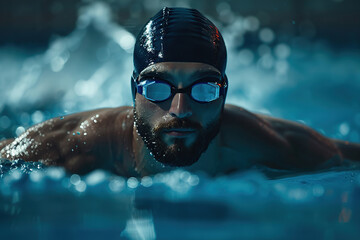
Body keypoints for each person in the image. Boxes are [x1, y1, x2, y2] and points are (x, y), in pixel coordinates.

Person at [0, 7, 359, 177]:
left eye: (203, 88)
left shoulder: (272, 145)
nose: (180, 108)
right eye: (158, 87)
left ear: (224, 93)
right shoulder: (74, 145)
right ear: (134, 91)